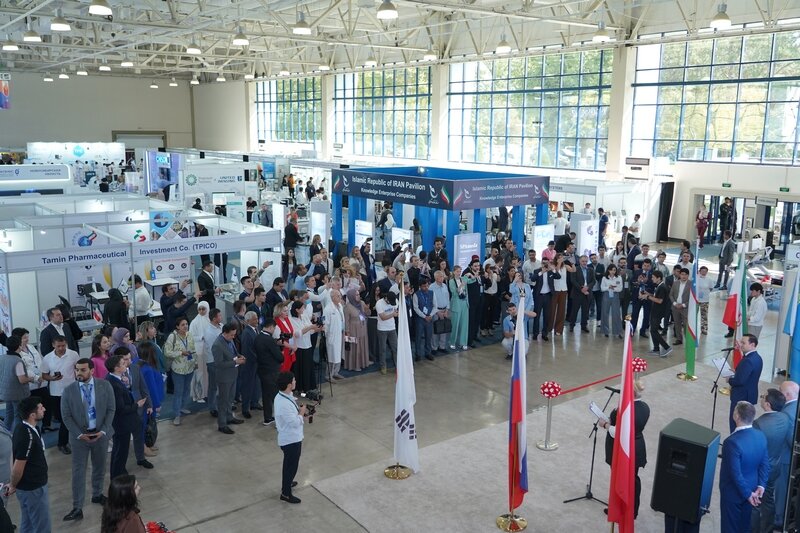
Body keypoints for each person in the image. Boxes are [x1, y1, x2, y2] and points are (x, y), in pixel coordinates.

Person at [60, 358, 115, 522]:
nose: (79, 373)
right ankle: (77, 507)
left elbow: (111, 409)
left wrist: (103, 430)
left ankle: (97, 494)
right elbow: (66, 416)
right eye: (77, 370)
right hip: (79, 439)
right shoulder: (68, 391)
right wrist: (79, 434)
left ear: (92, 370)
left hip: (100, 435)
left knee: (100, 466)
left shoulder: (105, 386)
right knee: (78, 471)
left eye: (83, 370)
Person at [600, 379, 649, 519]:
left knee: (620, 480)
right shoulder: (644, 407)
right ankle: (631, 510)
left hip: (623, 450)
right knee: (633, 480)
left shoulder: (627, 411)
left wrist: (605, 425)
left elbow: (619, 433)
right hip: (637, 448)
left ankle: (621, 509)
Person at [720, 401, 769, 533]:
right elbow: (765, 463)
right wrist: (761, 486)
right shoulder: (760, 435)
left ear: (736, 416)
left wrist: (748, 494)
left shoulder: (731, 442)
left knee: (730, 528)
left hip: (733, 493)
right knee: (745, 527)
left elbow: (735, 474)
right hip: (753, 488)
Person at [752, 388, 792, 533]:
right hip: (775, 467)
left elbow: (754, 450)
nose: (761, 398)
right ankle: (768, 529)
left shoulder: (758, 424)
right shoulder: (785, 418)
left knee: (755, 504)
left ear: (768, 404)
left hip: (760, 471)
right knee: (768, 500)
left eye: (763, 397)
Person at [9, 396, 50, 533]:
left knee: (28, 524)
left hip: (28, 488)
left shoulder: (23, 428)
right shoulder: (28, 435)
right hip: (33, 489)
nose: (44, 409)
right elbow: (18, 466)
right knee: (42, 527)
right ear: (32, 415)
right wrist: (13, 484)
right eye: (41, 408)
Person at [105, 355, 142, 480]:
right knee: (121, 451)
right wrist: (136, 405)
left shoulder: (113, 378)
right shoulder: (114, 384)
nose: (126, 364)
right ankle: (118, 477)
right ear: (116, 368)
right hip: (121, 423)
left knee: (119, 450)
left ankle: (120, 472)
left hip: (120, 423)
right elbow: (121, 409)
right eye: (122, 363)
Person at [42, 336, 80, 454]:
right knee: (61, 417)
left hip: (71, 390)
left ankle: (62, 443)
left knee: (67, 417)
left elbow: (78, 369)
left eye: (63, 345)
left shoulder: (73, 354)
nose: (61, 348)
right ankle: (65, 441)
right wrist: (52, 378)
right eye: (58, 346)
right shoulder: (48, 358)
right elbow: (44, 375)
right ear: (53, 345)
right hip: (56, 392)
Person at [274, 371, 305, 504]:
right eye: (293, 380)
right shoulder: (284, 404)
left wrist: (300, 414)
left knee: (289, 465)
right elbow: (294, 423)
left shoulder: (283, 395)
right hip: (291, 440)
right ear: (288, 385)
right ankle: (286, 493)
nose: (295, 382)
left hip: (290, 437)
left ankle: (288, 482)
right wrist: (301, 414)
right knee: (291, 466)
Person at [212, 323, 246, 435]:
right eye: (231, 335)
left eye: (234, 334)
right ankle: (222, 424)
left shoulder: (229, 340)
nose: (233, 337)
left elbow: (233, 353)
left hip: (232, 374)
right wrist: (235, 362)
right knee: (223, 401)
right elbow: (219, 364)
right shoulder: (217, 345)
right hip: (224, 377)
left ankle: (229, 417)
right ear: (225, 333)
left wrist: (239, 356)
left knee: (230, 399)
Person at [727, 334, 763, 432]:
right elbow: (750, 375)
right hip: (750, 394)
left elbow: (739, 381)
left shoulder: (748, 360)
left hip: (741, 396)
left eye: (743, 343)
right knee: (746, 423)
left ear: (752, 345)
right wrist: (738, 372)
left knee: (736, 422)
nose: (740, 345)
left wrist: (729, 379)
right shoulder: (758, 358)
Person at [164, 318, 196, 426]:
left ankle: (182, 407)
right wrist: (181, 353)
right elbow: (167, 352)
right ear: (177, 326)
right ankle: (177, 414)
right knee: (178, 392)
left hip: (190, 367)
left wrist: (195, 362)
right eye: (183, 324)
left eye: (186, 324)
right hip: (178, 369)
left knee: (187, 390)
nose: (185, 326)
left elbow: (193, 349)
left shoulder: (189, 335)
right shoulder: (172, 337)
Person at [0, 335, 33, 434]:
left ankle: (5, 433)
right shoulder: (17, 361)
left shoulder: (2, 357)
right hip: (17, 393)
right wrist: (31, 378)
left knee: (9, 413)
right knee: (18, 415)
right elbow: (22, 380)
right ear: (19, 346)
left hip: (6, 392)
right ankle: (18, 434)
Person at [135, 344, 163, 458]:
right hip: (149, 402)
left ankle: (147, 444)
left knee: (145, 424)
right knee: (146, 425)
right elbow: (151, 388)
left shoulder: (137, 363)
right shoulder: (147, 369)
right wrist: (156, 404)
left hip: (143, 400)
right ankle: (144, 447)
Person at [288, 301, 321, 393]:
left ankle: (308, 387)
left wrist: (317, 329)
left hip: (308, 345)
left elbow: (310, 331)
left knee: (308, 367)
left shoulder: (304, 316)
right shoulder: (291, 320)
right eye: (302, 308)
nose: (304, 309)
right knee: (300, 368)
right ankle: (299, 388)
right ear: (297, 310)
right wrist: (310, 327)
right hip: (299, 347)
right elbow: (297, 334)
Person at [644, 271, 672, 357]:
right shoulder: (659, 286)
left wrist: (648, 297)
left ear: (658, 278)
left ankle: (666, 347)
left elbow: (660, 301)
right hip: (655, 311)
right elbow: (657, 296)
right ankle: (656, 349)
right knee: (653, 330)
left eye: (653, 277)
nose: (652, 279)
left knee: (653, 330)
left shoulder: (662, 287)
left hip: (658, 312)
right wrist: (649, 294)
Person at [239, 312, 260, 418]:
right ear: (248, 321)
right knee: (247, 386)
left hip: (256, 363)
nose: (257, 321)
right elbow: (248, 351)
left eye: (257, 318)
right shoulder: (247, 333)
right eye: (254, 319)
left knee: (256, 384)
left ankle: (254, 403)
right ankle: (245, 409)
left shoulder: (256, 329)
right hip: (249, 364)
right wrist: (259, 359)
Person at [448, 266, 475, 351]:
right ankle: (452, 342)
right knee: (455, 324)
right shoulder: (451, 281)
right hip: (456, 303)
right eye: (457, 271)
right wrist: (461, 286)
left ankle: (463, 343)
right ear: (454, 272)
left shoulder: (463, 278)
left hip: (464, 303)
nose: (459, 273)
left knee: (464, 324)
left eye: (460, 271)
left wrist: (470, 274)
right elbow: (453, 292)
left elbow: (473, 280)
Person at [568, 255, 594, 333]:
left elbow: (593, 281)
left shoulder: (591, 270)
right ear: (579, 261)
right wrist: (581, 289)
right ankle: (572, 326)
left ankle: (584, 326)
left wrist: (587, 287)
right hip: (577, 293)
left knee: (585, 311)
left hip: (587, 293)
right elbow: (573, 280)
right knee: (574, 311)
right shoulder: (575, 269)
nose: (584, 263)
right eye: (583, 261)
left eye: (586, 261)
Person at [323, 290, 345, 380]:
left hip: (340, 334)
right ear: (332, 297)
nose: (340, 297)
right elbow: (325, 324)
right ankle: (328, 375)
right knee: (332, 356)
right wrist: (327, 336)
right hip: (332, 336)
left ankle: (336, 372)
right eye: (338, 296)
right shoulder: (328, 309)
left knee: (338, 355)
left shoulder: (340, 306)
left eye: (340, 296)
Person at [375, 291, 399, 375]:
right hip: (382, 329)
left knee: (395, 348)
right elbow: (383, 317)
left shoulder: (395, 300)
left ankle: (397, 366)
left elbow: (396, 310)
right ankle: (383, 366)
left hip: (392, 327)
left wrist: (395, 314)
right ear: (386, 298)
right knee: (383, 349)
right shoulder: (379, 303)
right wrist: (393, 314)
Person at [600, 264, 623, 338]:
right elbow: (602, 288)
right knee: (605, 313)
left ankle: (617, 332)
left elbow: (620, 288)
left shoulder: (619, 277)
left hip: (615, 295)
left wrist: (613, 288)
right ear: (608, 270)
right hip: (606, 295)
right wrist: (608, 287)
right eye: (611, 270)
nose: (613, 272)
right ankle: (605, 331)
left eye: (614, 270)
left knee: (616, 313)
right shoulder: (604, 278)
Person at [669, 268, 691, 344]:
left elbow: (693, 298)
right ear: (679, 275)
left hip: (685, 308)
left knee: (686, 324)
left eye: (685, 275)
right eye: (682, 274)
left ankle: (688, 340)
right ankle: (679, 339)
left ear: (688, 275)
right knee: (677, 323)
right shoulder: (675, 283)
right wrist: (675, 303)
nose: (684, 276)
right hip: (675, 307)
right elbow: (671, 295)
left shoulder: (691, 284)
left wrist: (684, 305)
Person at [695, 266, 714, 335]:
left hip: (705, 300)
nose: (704, 272)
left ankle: (704, 329)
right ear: (699, 271)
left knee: (704, 315)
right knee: (694, 314)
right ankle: (693, 328)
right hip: (696, 300)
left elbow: (711, 288)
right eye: (702, 271)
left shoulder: (709, 279)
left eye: (705, 271)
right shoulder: (696, 278)